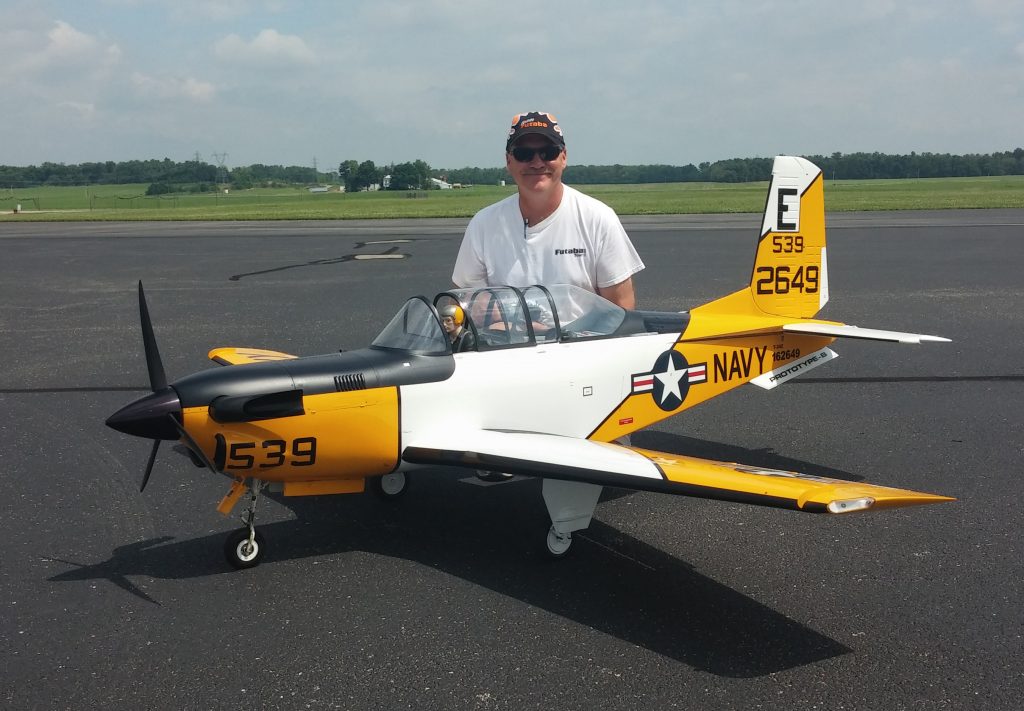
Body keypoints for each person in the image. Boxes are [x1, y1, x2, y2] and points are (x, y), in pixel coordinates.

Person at [452, 111, 644, 309]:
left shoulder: (599, 219)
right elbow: (470, 304)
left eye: (548, 152)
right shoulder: (483, 224)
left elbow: (622, 307)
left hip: (583, 339)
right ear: (509, 161)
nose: (537, 163)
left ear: (564, 157)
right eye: (524, 154)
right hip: (508, 339)